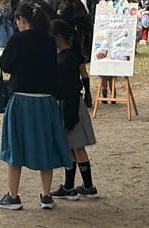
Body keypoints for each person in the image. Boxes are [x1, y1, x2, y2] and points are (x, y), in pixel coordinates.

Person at [0, 1, 73, 211]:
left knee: (15, 147)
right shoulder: (49, 41)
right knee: (45, 146)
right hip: (45, 100)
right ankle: (46, 196)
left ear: (21, 19)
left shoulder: (17, 39)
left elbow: (5, 64)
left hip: (21, 99)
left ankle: (13, 196)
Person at [49, 20, 97, 200]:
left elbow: (69, 87)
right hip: (67, 103)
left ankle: (88, 185)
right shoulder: (65, 56)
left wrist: (69, 113)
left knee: (77, 146)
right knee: (69, 146)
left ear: (59, 37)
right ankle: (69, 186)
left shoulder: (67, 58)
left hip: (71, 105)